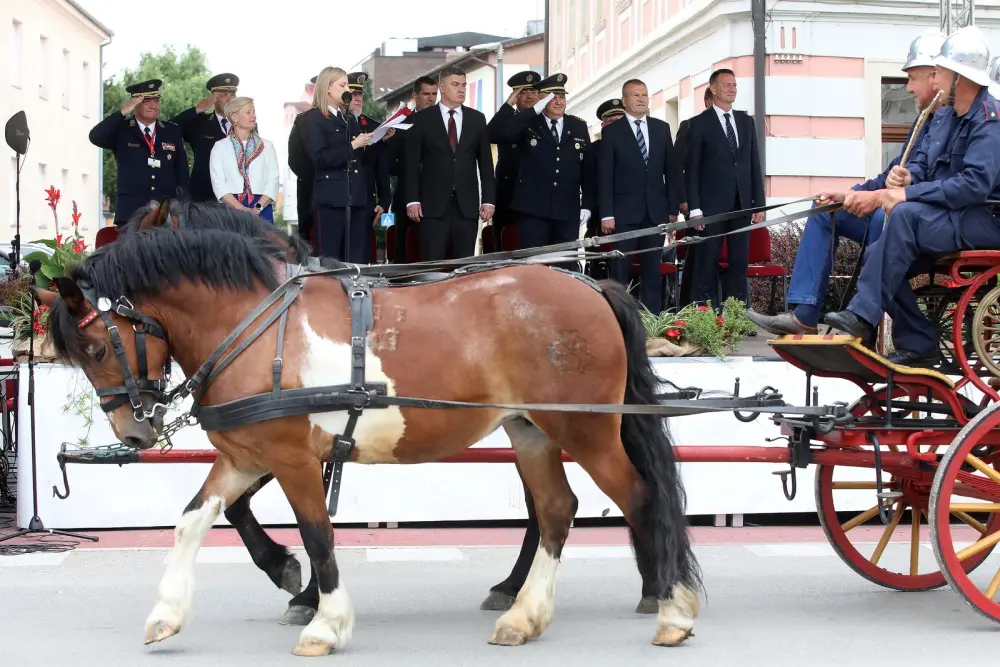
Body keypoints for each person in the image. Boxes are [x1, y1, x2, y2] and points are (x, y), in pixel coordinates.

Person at [747, 31, 948, 337]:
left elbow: (936, 180)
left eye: (912, 78)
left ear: (935, 76)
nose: (907, 87)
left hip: (919, 220)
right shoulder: (927, 120)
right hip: (898, 211)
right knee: (825, 209)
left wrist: (886, 193)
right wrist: (850, 194)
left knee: (881, 240)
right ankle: (804, 313)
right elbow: (889, 175)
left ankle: (898, 330)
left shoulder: (950, 121)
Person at [824, 26, 1000, 368]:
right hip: (957, 216)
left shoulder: (989, 120)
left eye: (941, 72)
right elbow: (938, 175)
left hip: (985, 220)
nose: (936, 79)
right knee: (880, 254)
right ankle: (919, 339)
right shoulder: (955, 117)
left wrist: (906, 194)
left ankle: (862, 318)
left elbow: (975, 185)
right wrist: (910, 178)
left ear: (960, 77)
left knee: (903, 217)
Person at [685, 68, 766, 308]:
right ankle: (706, 315)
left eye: (734, 85)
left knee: (739, 262)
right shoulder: (699, 124)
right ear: (713, 88)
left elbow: (753, 164)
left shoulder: (746, 121)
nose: (732, 89)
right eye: (727, 84)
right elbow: (693, 170)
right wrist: (695, 209)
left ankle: (736, 315)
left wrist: (758, 203)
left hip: (741, 204)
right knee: (707, 262)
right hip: (711, 207)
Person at [598, 78, 681, 313]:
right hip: (624, 213)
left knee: (652, 270)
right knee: (620, 271)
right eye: (636, 95)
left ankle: (652, 323)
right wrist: (607, 214)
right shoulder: (613, 132)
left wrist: (672, 209)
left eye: (645, 94)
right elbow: (606, 176)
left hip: (655, 212)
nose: (642, 99)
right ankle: (620, 321)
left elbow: (671, 171)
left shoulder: (661, 128)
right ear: (625, 101)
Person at [490, 73, 591, 260]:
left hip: (566, 209)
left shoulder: (578, 126)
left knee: (566, 268)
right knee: (533, 267)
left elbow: (587, 169)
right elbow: (496, 134)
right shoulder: (527, 123)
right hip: (532, 209)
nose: (559, 102)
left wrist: (587, 204)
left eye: (562, 97)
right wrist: (519, 106)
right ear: (542, 99)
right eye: (552, 97)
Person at [404, 64, 497, 261]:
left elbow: (486, 164)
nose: (461, 89)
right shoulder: (423, 119)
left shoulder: (477, 119)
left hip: (467, 206)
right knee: (431, 265)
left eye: (464, 85)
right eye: (455, 84)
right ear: (442, 87)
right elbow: (411, 164)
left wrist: (488, 200)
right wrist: (412, 199)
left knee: (463, 266)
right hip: (432, 206)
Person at [297, 66, 375, 262]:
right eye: (342, 85)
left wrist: (369, 142)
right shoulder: (312, 118)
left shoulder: (348, 118)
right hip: (331, 198)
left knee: (356, 257)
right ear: (327, 88)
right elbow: (320, 158)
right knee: (329, 258)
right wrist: (354, 145)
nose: (347, 89)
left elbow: (359, 158)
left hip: (355, 196)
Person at [88, 78, 190, 225]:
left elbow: (182, 174)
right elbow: (95, 136)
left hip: (165, 213)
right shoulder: (122, 130)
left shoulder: (171, 131)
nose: (153, 105)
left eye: (156, 100)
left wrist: (181, 208)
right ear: (134, 103)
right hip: (131, 212)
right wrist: (122, 112)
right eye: (147, 101)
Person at [378, 76, 438, 262]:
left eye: (434, 94)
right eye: (426, 94)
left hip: (437, 201)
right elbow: (389, 166)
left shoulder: (444, 122)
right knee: (403, 256)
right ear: (415, 95)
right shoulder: (401, 124)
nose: (431, 98)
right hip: (406, 200)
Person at [487, 71, 541, 249]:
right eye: (523, 92)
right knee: (505, 245)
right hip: (508, 195)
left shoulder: (546, 119)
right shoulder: (507, 120)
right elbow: (491, 134)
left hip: (536, 195)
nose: (530, 95)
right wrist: (509, 104)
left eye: (534, 91)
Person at [209, 96, 280, 221]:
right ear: (234, 117)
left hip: (261, 208)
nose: (253, 116)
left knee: (263, 241)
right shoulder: (219, 147)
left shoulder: (267, 146)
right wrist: (241, 209)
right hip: (230, 209)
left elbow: (273, 181)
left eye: (254, 112)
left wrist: (257, 208)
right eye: (248, 112)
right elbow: (218, 184)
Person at [171, 73, 240, 202]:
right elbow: (168, 130)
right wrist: (196, 110)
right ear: (213, 98)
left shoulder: (245, 124)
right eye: (224, 94)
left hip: (237, 197)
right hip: (204, 198)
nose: (229, 99)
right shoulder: (200, 122)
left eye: (232, 94)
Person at [674, 87, 714, 307]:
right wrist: (683, 198)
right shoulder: (690, 126)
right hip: (696, 204)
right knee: (697, 257)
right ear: (707, 102)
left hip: (721, 203)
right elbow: (678, 167)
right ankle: (690, 304)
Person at [581, 98, 625, 278]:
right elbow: (590, 184)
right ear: (603, 125)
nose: (616, 126)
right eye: (611, 122)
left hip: (632, 214)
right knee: (599, 268)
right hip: (602, 218)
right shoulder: (593, 150)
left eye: (620, 121)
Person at [346, 71, 392, 234]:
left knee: (363, 253)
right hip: (338, 198)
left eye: (360, 94)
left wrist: (385, 198)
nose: (358, 98)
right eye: (353, 94)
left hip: (366, 200)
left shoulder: (373, 125)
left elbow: (382, 164)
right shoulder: (332, 122)